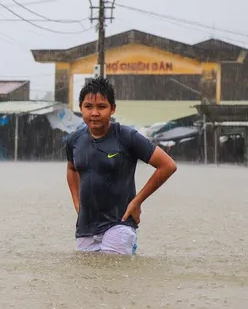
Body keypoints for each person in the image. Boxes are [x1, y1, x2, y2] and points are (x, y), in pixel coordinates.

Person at [65, 78, 177, 255]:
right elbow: (71, 169)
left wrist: (137, 201)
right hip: (85, 227)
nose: (94, 113)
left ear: (113, 109)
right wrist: (77, 204)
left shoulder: (126, 137)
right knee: (86, 278)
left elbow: (167, 165)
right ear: (80, 108)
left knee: (114, 277)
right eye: (88, 107)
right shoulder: (74, 140)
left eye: (101, 107)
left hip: (120, 222)